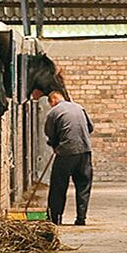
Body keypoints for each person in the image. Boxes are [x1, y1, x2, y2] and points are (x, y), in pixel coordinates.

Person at [42, 89, 93, 226]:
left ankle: (55, 218)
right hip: (85, 151)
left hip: (66, 153)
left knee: (58, 186)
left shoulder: (54, 112)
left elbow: (50, 133)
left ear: (53, 100)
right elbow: (90, 127)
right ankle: (81, 218)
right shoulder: (79, 107)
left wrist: (55, 144)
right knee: (83, 185)